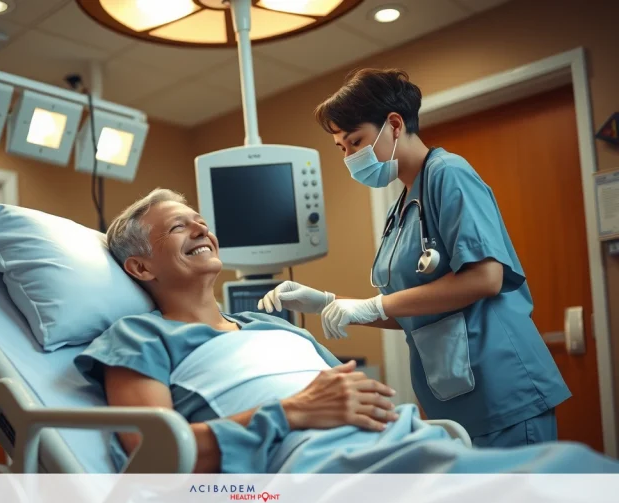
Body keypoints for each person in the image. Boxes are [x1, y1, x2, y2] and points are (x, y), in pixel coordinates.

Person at [73, 189, 616, 475]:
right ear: (141, 269)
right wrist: (291, 412)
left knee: (575, 472)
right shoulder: (140, 337)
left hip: (402, 443)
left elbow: (350, 396)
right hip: (317, 469)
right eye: (177, 226)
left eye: (199, 219)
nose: (201, 228)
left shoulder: (269, 324)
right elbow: (152, 453)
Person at [257, 68, 570, 449]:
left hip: (503, 390)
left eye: (356, 142)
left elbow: (485, 277)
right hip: (457, 399)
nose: (350, 157)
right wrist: (330, 303)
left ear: (393, 123)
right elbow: (416, 310)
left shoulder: (448, 174)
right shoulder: (403, 206)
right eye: (342, 148)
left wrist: (372, 304)